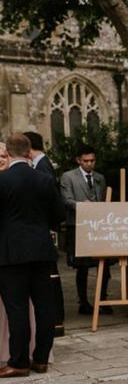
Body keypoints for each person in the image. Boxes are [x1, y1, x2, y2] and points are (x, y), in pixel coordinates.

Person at [0, 133, 64, 376]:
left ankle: (18, 362)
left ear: (9, 152)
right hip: (41, 250)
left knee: (17, 309)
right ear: (29, 152)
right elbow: (58, 216)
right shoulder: (45, 180)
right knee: (44, 307)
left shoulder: (2, 180)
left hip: (11, 252)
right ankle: (40, 359)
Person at [59, 145, 112, 316]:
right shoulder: (68, 177)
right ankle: (83, 302)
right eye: (86, 161)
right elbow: (66, 200)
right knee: (82, 267)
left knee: (104, 264)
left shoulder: (100, 178)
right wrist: (83, 206)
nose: (89, 164)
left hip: (98, 226)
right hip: (78, 225)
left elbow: (103, 198)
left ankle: (102, 299)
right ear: (78, 160)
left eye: (92, 161)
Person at [23, 132, 65, 338]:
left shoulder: (43, 167)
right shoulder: (41, 166)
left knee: (48, 284)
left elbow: (54, 206)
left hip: (41, 234)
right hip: (40, 234)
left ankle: (56, 324)